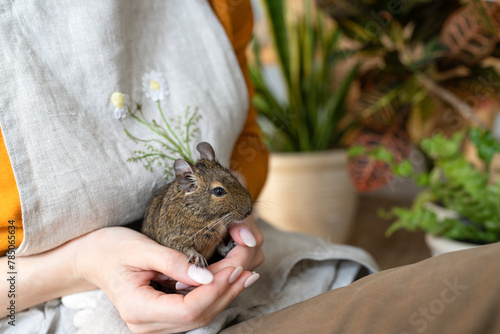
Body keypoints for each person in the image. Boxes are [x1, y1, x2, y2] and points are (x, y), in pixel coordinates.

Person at [1, 1, 500, 334]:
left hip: (251, 286)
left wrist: (236, 234)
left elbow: (243, 164)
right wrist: (79, 265)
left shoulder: (219, 7)